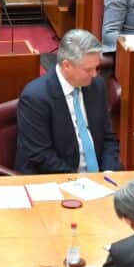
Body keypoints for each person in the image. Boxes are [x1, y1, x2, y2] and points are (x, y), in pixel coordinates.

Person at [15, 29, 122, 174]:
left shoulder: (97, 86)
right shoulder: (35, 97)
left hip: (98, 180)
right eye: (88, 69)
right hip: (56, 179)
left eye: (96, 68)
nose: (94, 74)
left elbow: (108, 138)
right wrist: (79, 181)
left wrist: (109, 171)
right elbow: (40, 155)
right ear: (67, 65)